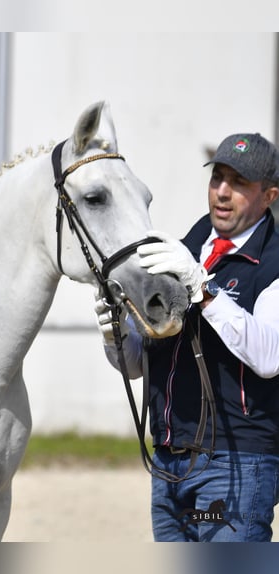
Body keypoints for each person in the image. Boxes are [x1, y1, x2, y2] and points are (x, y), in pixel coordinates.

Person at [96, 132, 279, 542]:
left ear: (269, 196)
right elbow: (138, 365)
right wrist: (115, 335)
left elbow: (270, 356)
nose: (223, 192)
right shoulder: (182, 249)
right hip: (168, 464)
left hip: (236, 465)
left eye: (239, 183)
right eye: (218, 178)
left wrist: (203, 288)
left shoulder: (273, 264)